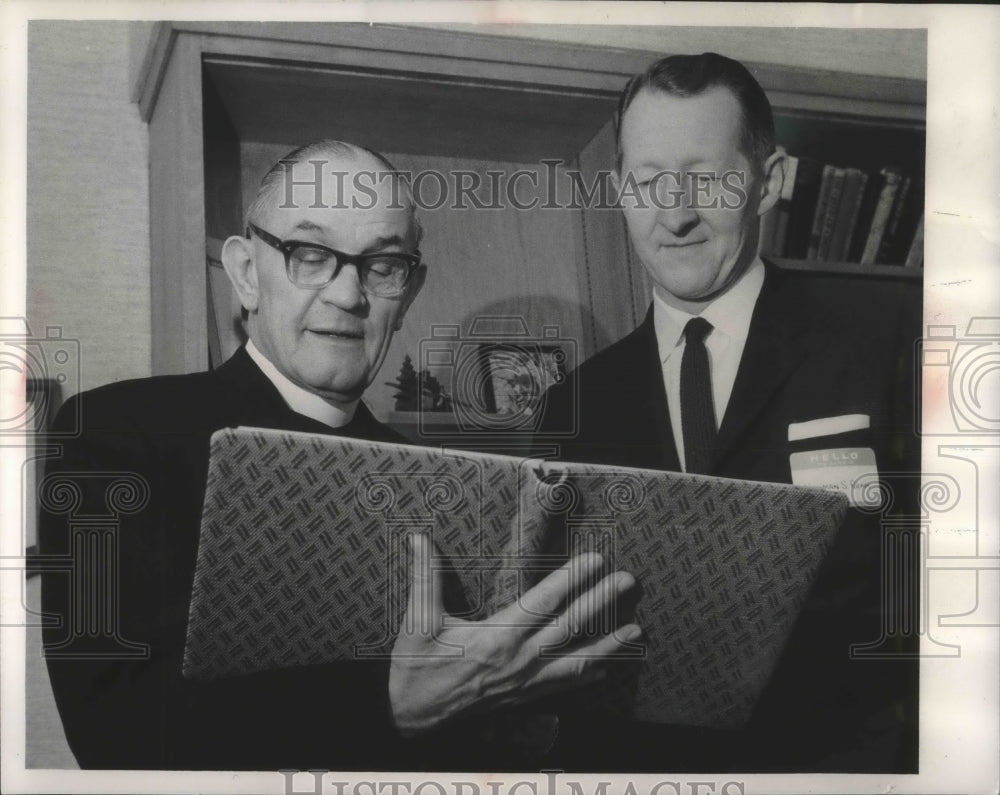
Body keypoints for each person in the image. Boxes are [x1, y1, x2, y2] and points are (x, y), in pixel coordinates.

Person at [39, 140, 637, 771]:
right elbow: (113, 732)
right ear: (246, 272)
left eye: (382, 266)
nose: (349, 295)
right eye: (311, 254)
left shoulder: (450, 484)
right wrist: (393, 703)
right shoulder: (112, 434)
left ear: (407, 294)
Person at [540, 53, 921, 772]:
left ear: (768, 181)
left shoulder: (886, 343)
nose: (675, 214)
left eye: (707, 177)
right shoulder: (574, 404)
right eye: (648, 181)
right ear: (621, 191)